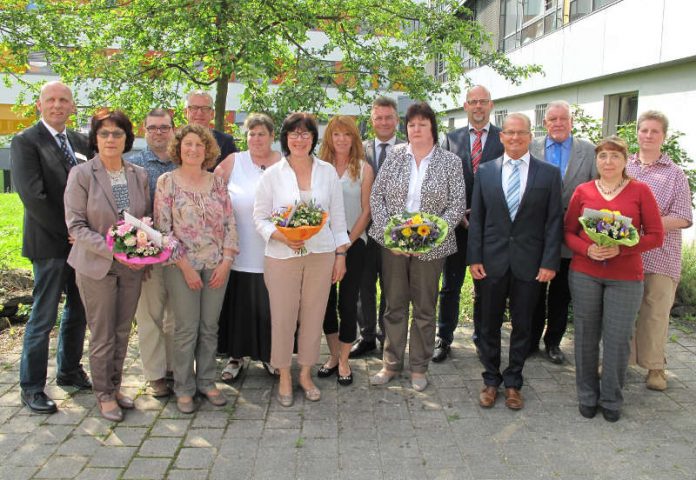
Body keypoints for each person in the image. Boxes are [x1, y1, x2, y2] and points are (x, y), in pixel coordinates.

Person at [253, 112, 350, 407]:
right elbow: (260, 218)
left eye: (305, 134)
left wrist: (341, 254)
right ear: (285, 138)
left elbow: (338, 217)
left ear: (313, 138)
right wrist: (284, 237)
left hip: (321, 255)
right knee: (283, 318)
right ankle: (284, 374)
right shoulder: (272, 174)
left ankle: (305, 374)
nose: (299, 139)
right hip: (282, 256)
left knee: (313, 315)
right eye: (293, 134)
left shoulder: (327, 172)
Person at [468, 113, 563, 411]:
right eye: (509, 133)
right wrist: (474, 258)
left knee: (523, 325)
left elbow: (553, 222)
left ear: (530, 136)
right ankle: (491, 379)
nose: (514, 138)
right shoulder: (485, 171)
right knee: (488, 324)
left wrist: (550, 262)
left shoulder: (548, 174)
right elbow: (478, 220)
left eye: (521, 133)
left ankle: (514, 383)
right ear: (501, 136)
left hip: (530, 264)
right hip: (492, 262)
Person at [368, 101, 465, 392]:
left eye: (422, 124)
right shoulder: (395, 156)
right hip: (394, 246)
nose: (416, 129)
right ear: (405, 129)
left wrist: (429, 237)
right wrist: (392, 236)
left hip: (431, 248)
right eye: (411, 124)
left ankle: (419, 367)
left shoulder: (450, 161)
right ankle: (391, 363)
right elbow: (377, 197)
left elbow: (457, 205)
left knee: (424, 307)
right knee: (394, 304)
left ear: (432, 128)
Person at [565, 136, 663, 422]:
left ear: (625, 160)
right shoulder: (583, 191)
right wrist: (587, 248)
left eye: (615, 156)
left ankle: (611, 397)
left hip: (626, 277)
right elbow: (568, 231)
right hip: (585, 274)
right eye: (603, 156)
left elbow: (655, 235)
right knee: (585, 336)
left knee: (618, 339)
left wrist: (623, 247)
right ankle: (586, 395)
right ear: (597, 161)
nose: (608, 162)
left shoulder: (640, 191)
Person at [11, 81, 92, 414]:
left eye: (64, 100)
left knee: (79, 310)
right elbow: (33, 197)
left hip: (80, 244)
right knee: (44, 316)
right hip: (49, 243)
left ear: (73, 106)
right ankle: (31, 387)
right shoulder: (25, 141)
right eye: (51, 100)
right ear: (40, 105)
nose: (58, 105)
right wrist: (71, 231)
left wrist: (86, 235)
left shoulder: (81, 141)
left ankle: (69, 370)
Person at [64, 109, 150, 422]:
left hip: (131, 268)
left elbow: (142, 220)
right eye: (104, 133)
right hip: (95, 266)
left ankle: (115, 386)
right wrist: (114, 251)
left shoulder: (138, 174)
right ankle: (103, 394)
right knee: (102, 334)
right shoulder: (82, 175)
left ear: (127, 138)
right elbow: (76, 226)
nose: (111, 139)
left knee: (122, 330)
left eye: (117, 133)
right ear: (95, 139)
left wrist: (144, 250)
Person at [154, 124, 239, 414]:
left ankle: (206, 381)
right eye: (188, 144)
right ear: (179, 148)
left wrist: (227, 261)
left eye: (199, 146)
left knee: (209, 328)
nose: (193, 149)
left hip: (216, 265)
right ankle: (184, 387)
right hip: (181, 267)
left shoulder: (217, 182)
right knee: (185, 328)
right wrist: (185, 267)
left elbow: (230, 222)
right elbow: (163, 230)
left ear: (207, 151)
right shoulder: (167, 182)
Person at [435, 85, 504, 363]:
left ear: (491, 105)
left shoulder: (504, 138)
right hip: (456, 226)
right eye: (473, 102)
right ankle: (444, 337)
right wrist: (456, 212)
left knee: (484, 286)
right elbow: (442, 181)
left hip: (490, 228)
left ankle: (482, 338)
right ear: (465, 106)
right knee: (450, 285)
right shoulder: (451, 140)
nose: (478, 106)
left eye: (483, 102)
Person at [627, 111, 692, 391]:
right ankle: (620, 360)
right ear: (637, 134)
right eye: (644, 130)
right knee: (624, 310)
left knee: (655, 312)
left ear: (663, 136)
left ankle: (655, 368)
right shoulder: (625, 167)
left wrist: (647, 225)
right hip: (627, 254)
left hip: (660, 254)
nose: (649, 135)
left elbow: (683, 216)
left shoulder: (675, 174)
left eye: (655, 131)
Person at [215, 113, 281, 382]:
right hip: (238, 247)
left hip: (275, 249)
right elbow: (212, 193)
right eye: (251, 134)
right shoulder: (233, 161)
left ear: (272, 137)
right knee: (238, 306)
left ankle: (270, 355)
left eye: (262, 134)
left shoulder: (284, 163)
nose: (256, 139)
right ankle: (235, 357)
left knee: (270, 307)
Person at [530, 100, 597, 364]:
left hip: (572, 232)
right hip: (536, 233)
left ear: (571, 121)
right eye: (552, 119)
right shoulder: (531, 147)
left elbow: (593, 192)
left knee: (561, 293)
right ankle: (531, 340)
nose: (558, 123)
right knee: (534, 291)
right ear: (544, 123)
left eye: (563, 118)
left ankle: (553, 342)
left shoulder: (588, 150)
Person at [317, 116, 375, 386]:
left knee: (348, 303)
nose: (341, 139)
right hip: (322, 246)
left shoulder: (363, 169)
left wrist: (347, 242)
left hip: (354, 244)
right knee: (325, 304)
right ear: (329, 137)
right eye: (336, 134)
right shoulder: (318, 168)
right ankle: (331, 355)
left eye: (347, 135)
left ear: (355, 139)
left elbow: (366, 210)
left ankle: (343, 361)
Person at [350, 96, 405, 358]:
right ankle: (367, 335)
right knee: (364, 284)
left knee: (392, 286)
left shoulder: (408, 150)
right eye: (378, 118)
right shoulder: (359, 149)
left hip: (397, 231)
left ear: (397, 120)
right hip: (365, 228)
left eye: (388, 117)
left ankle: (387, 336)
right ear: (372, 121)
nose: (383, 122)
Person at [128, 108, 177, 398]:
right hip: (148, 254)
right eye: (152, 128)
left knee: (177, 317)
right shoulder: (132, 166)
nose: (158, 132)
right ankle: (155, 375)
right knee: (149, 317)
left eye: (164, 127)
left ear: (173, 129)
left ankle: (173, 368)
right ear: (144, 131)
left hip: (181, 254)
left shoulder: (185, 161)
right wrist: (137, 254)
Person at [184, 90, 237, 167]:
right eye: (194, 108)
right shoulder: (176, 141)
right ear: (186, 112)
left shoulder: (226, 142)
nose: (199, 113)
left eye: (205, 108)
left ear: (212, 114)